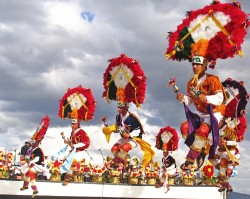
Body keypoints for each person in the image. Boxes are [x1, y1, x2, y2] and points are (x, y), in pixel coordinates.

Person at [176, 55, 225, 169]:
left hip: (213, 112)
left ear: (204, 66)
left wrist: (207, 98)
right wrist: (183, 98)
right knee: (184, 127)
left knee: (202, 130)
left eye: (198, 64)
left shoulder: (213, 79)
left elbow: (220, 98)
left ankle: (190, 160)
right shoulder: (191, 83)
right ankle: (201, 150)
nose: (195, 66)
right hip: (200, 113)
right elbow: (190, 100)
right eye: (193, 64)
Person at [60, 119, 90, 186]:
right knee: (67, 163)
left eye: (73, 124)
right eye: (71, 124)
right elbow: (71, 144)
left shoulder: (81, 132)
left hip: (80, 152)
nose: (72, 125)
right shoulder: (72, 133)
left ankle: (68, 178)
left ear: (77, 124)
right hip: (74, 151)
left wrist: (74, 145)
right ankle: (74, 176)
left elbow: (84, 143)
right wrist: (67, 142)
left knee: (71, 163)